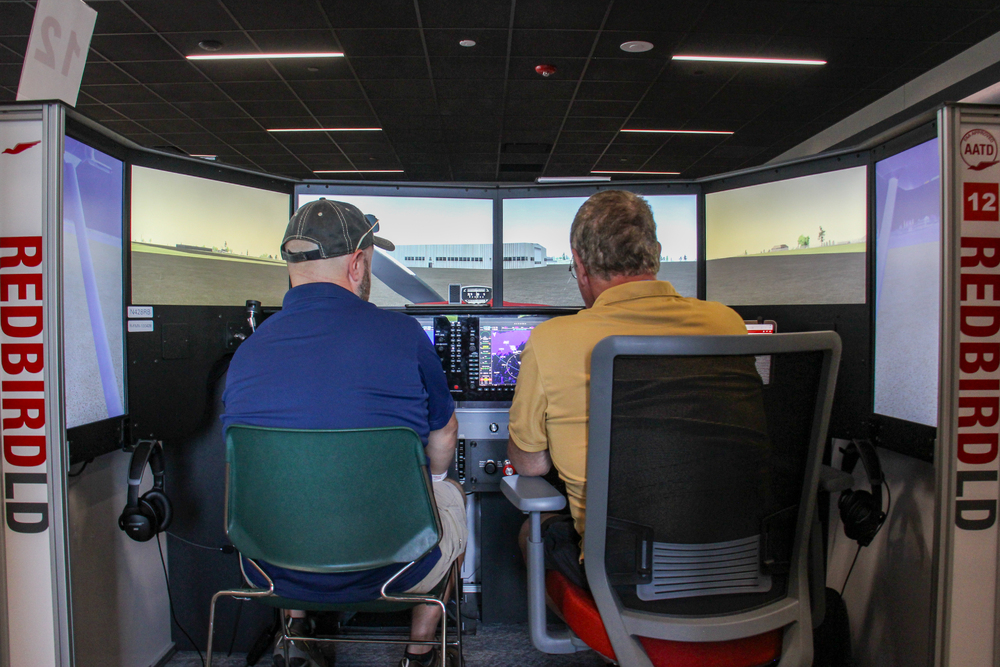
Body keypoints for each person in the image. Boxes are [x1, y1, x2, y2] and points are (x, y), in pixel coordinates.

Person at [222, 198, 467, 667]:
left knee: (290, 490)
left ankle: (296, 636)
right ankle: (419, 653)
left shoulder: (248, 354)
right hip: (396, 567)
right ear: (357, 264)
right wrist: (435, 482)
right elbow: (446, 433)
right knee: (450, 493)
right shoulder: (403, 335)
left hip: (268, 566)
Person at [505, 190, 747, 590]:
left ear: (580, 265)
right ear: (655, 253)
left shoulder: (552, 341)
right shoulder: (727, 324)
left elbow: (531, 467)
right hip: (739, 563)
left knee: (534, 530)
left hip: (622, 577)